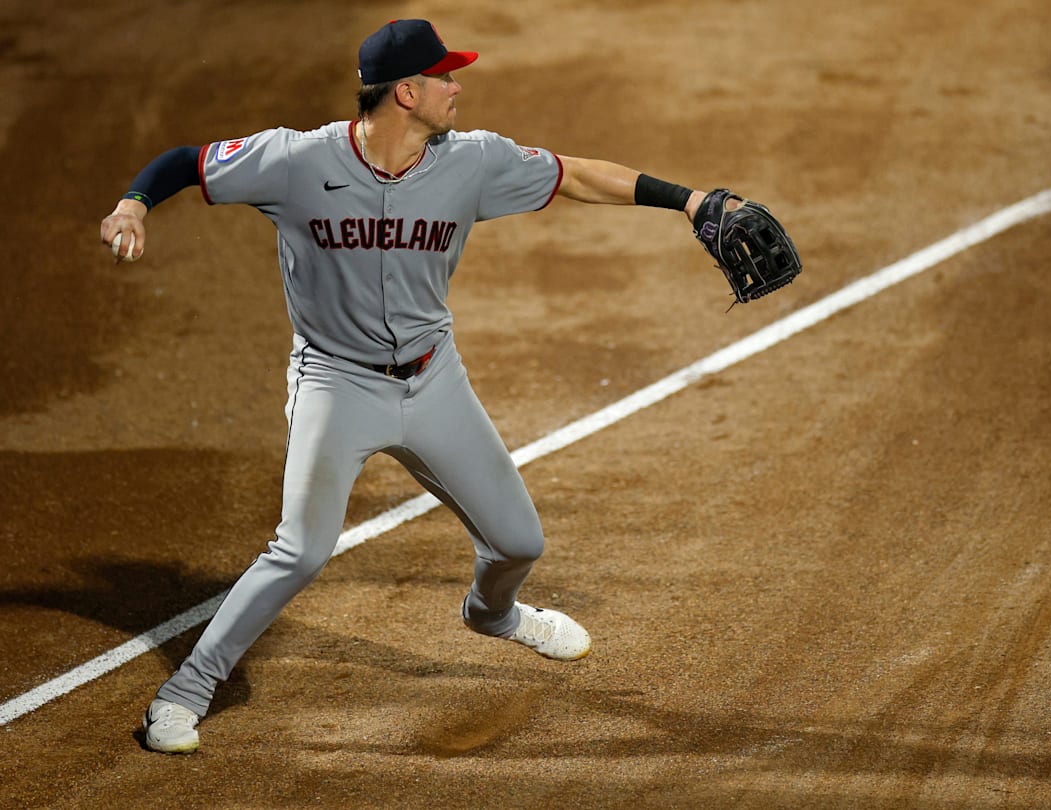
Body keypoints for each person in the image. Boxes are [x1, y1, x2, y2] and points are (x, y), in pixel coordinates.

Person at [100, 19, 721, 754]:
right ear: (406, 93)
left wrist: (689, 201)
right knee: (300, 550)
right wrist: (135, 202)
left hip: (433, 381)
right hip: (335, 383)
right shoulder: (295, 161)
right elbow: (187, 162)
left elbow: (577, 174)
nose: (458, 88)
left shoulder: (475, 161)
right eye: (445, 77)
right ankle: (184, 694)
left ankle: (493, 616)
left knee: (518, 541)